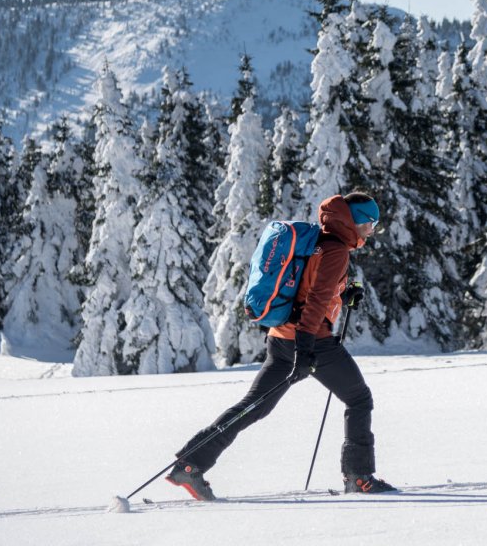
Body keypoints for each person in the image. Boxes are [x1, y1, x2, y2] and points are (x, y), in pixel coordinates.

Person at [166, 191, 397, 500]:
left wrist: (343, 296)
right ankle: (359, 476)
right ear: (355, 221)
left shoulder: (318, 241)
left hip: (280, 337)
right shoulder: (336, 250)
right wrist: (305, 350)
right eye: (370, 222)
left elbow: (309, 291)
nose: (372, 229)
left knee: (252, 407)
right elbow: (314, 302)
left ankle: (191, 463)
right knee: (359, 399)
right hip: (313, 340)